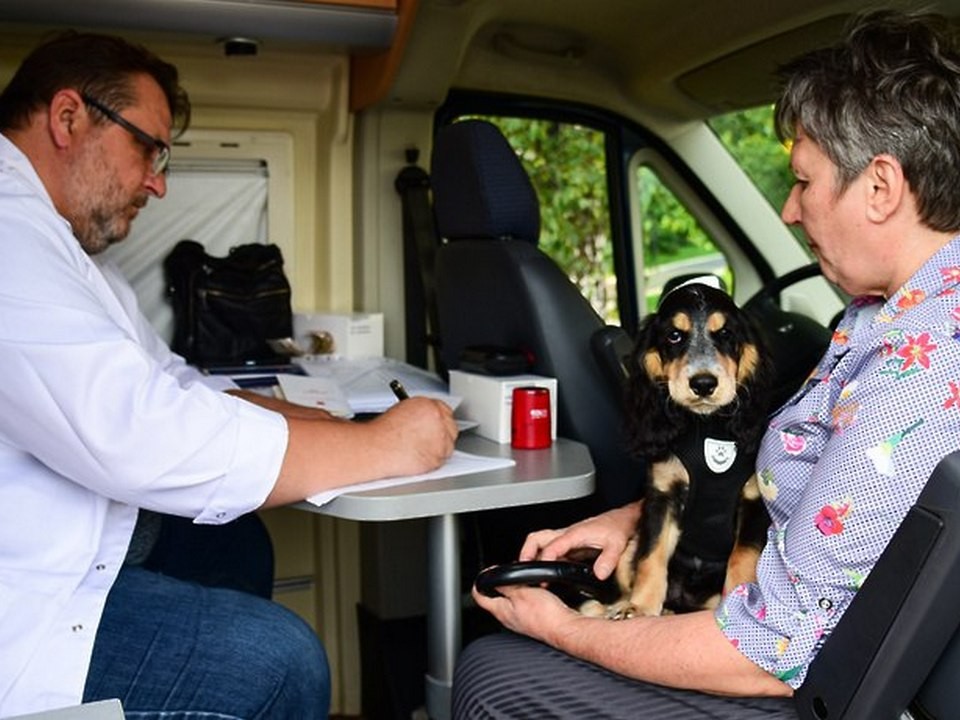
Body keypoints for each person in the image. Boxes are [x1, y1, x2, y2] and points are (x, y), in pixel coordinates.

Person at [453, 9, 960, 718]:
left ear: (880, 187)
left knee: (494, 671)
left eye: (803, 181)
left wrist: (565, 629)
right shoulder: (884, 313)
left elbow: (770, 650)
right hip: (773, 630)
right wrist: (638, 516)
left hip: (814, 684)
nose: (788, 209)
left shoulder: (926, 363)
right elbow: (808, 496)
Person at [0, 31, 458, 718]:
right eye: (147, 148)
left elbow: (174, 384)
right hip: (29, 593)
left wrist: (328, 425)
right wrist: (383, 446)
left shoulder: (70, 249)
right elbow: (137, 431)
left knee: (234, 541)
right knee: (282, 663)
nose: (157, 181)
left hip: (90, 539)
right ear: (68, 118)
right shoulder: (11, 237)